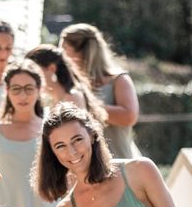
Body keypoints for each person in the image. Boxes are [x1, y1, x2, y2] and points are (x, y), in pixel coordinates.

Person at [33, 103, 189, 207]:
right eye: (60, 146)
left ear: (92, 136)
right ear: (52, 153)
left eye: (77, 139)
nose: (72, 151)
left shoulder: (140, 171)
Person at [0, 60, 60, 207]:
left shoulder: (52, 129)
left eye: (29, 88)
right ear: (7, 91)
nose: (22, 96)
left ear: (39, 90)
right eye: (16, 89)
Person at [60, 23, 140, 158]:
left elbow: (129, 117)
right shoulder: (71, 85)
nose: (62, 57)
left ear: (82, 53)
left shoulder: (119, 80)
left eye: (64, 50)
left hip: (119, 161)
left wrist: (85, 105)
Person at [25, 44, 107, 124]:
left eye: (35, 72)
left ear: (52, 68)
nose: (31, 78)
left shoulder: (73, 98)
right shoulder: (55, 101)